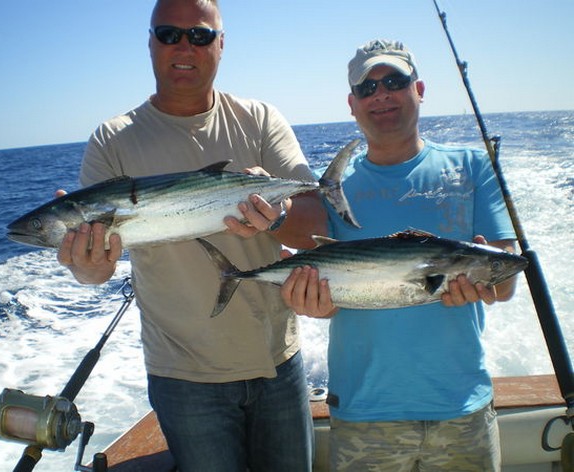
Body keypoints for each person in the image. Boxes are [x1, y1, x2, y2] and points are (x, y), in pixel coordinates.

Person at [57, 1, 326, 470]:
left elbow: (316, 225)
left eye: (200, 36)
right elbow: (93, 271)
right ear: (150, 42)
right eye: (169, 34)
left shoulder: (259, 120)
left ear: (221, 44)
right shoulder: (113, 139)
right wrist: (88, 266)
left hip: (278, 364)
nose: (185, 46)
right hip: (183, 378)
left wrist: (278, 216)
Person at [280, 39, 519, 471]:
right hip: (365, 411)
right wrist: (311, 302)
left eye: (394, 81)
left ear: (419, 88)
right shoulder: (332, 191)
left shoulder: (472, 166)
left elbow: (505, 281)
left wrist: (488, 279)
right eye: (367, 88)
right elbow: (331, 290)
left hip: (462, 406)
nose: (381, 94)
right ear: (352, 104)